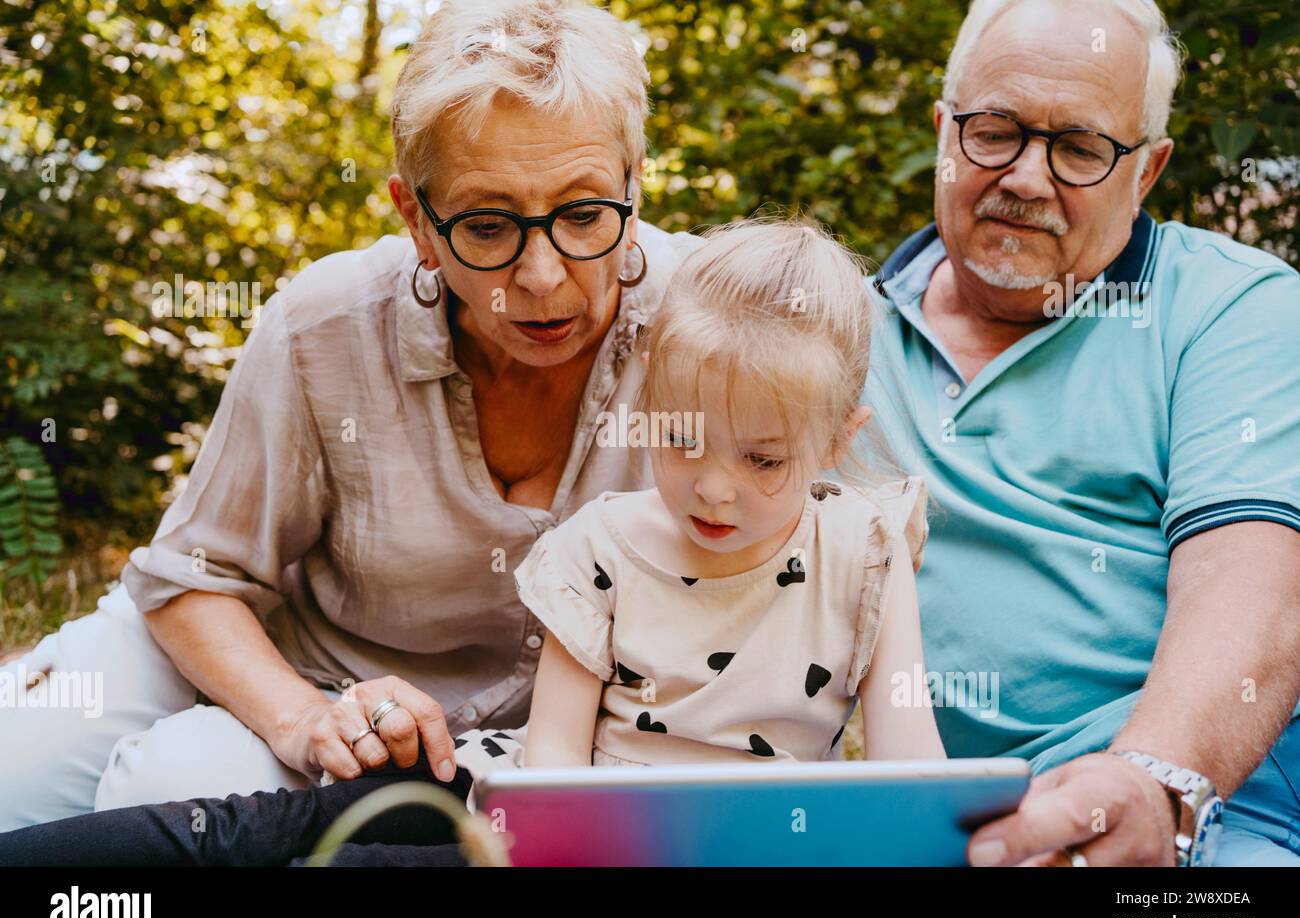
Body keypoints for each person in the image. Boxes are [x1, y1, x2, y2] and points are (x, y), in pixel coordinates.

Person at [0, 219, 946, 865]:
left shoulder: (866, 552)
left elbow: (914, 775)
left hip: (733, 840)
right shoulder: (601, 548)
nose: (712, 485)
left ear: (836, 441)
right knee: (245, 837)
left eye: (765, 460)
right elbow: (554, 777)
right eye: (681, 437)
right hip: (518, 811)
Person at [0, 0, 704, 833]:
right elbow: (195, 580)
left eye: (584, 214)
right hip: (286, 660)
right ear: (417, 220)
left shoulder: (714, 325)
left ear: (636, 181)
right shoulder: (323, 323)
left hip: (550, 730)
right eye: (486, 226)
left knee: (169, 796)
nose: (543, 277)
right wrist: (299, 718)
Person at [863, 0, 1300, 866]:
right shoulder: (837, 335)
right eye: (996, 131)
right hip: (904, 825)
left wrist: (1152, 782)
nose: (1026, 179)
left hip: (1192, 828)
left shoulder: (1233, 308)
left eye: (1079, 148)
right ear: (944, 132)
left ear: (1147, 172)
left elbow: (1253, 589)